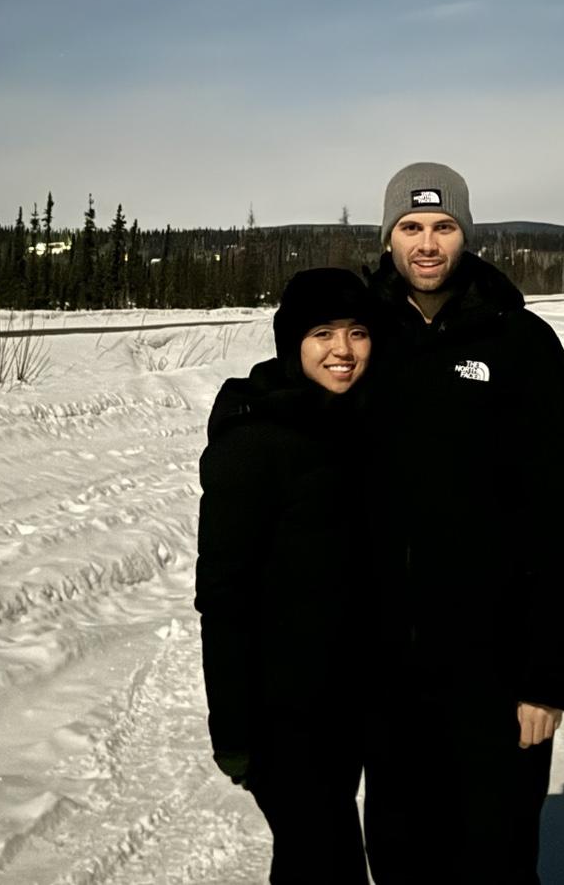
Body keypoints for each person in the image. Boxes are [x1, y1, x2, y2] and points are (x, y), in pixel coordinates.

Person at [361, 162, 564, 884]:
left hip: (496, 672)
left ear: (466, 234)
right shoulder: (361, 339)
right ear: (389, 237)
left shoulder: (521, 342)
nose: (427, 243)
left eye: (443, 226)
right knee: (400, 859)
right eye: (410, 226)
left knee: (496, 859)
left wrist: (549, 678)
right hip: (389, 673)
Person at [195, 267, 377, 884]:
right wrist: (233, 730)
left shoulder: (355, 423)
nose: (342, 350)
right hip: (281, 717)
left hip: (344, 708)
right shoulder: (254, 440)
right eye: (322, 333)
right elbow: (223, 595)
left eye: (357, 332)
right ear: (290, 342)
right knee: (324, 861)